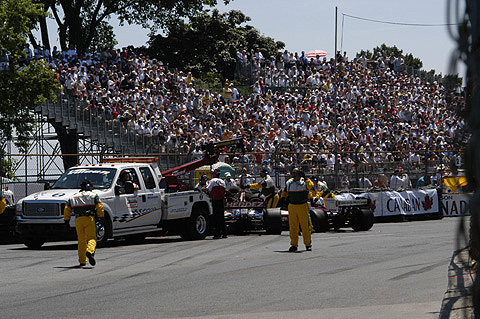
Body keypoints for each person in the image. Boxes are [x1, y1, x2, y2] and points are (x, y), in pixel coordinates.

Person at [64, 180, 104, 267]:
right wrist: (101, 217)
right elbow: (100, 206)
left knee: (81, 240)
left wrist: (66, 221)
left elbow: (67, 209)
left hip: (78, 219)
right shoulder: (93, 195)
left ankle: (82, 260)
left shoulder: (73, 197)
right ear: (89, 186)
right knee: (92, 238)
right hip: (89, 218)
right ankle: (89, 251)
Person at [281, 168, 312, 252]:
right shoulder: (289, 182)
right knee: (293, 226)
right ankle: (294, 245)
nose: (294, 174)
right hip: (292, 206)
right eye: (293, 172)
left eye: (296, 172)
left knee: (305, 226)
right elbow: (284, 191)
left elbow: (311, 186)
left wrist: (305, 178)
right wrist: (283, 198)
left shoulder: (304, 182)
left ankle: (308, 244)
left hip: (302, 206)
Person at [205, 169, 227, 239]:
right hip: (221, 200)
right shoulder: (223, 181)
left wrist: (203, 189)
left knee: (216, 217)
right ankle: (224, 233)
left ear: (215, 174)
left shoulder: (213, 180)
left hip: (215, 200)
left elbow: (208, 189)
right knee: (221, 217)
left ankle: (217, 233)